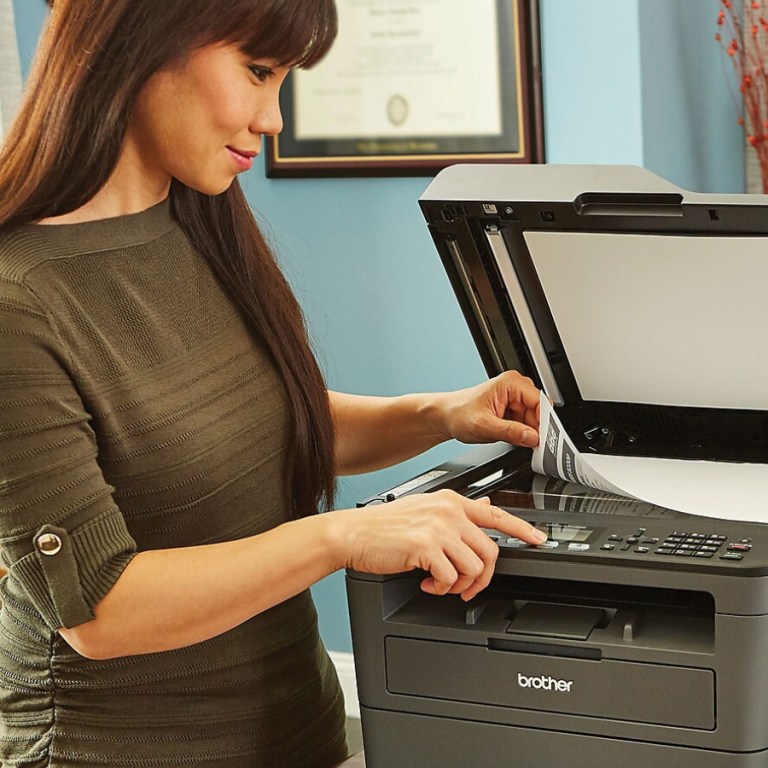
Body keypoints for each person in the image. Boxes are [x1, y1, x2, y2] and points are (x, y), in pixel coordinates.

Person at [0, 1, 547, 766]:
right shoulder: (17, 297)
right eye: (258, 73)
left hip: (297, 732)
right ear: (141, 42)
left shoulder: (195, 221)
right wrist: (343, 535)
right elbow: (100, 607)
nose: (273, 118)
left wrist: (441, 414)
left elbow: (261, 426)